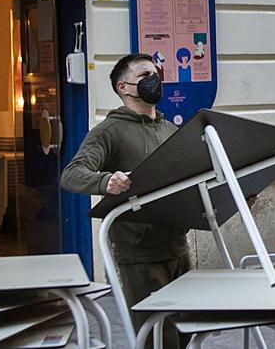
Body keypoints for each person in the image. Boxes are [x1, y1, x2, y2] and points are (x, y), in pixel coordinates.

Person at [60, 54, 189, 343]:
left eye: (156, 73)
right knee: (155, 336)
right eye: (144, 76)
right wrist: (107, 181)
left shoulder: (171, 131)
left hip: (178, 248)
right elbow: (71, 174)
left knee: (186, 334)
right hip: (139, 253)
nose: (154, 80)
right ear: (124, 87)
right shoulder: (109, 131)